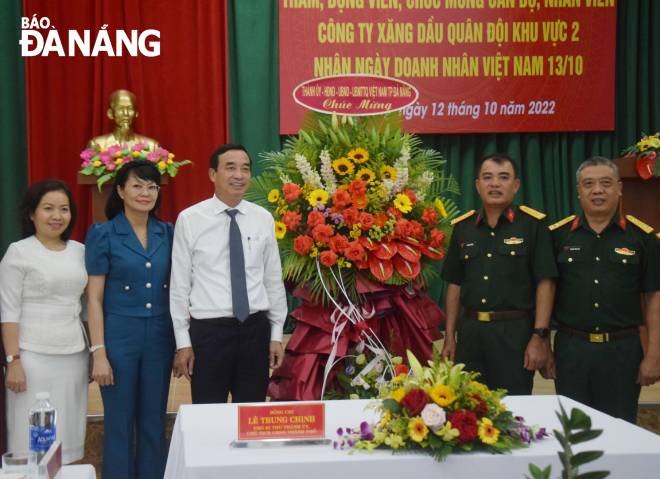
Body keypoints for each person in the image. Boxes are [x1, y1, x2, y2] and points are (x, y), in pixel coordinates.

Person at [170, 143, 287, 404]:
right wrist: (183, 341)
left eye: (245, 169)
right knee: (209, 416)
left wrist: (277, 334)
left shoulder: (263, 218)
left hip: (254, 331)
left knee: (252, 416)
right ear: (213, 174)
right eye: (230, 168)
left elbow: (272, 279)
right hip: (209, 334)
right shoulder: (190, 219)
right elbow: (180, 285)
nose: (239, 175)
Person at [548, 156, 660, 423]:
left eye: (606, 183)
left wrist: (654, 355)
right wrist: (542, 343)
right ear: (578, 190)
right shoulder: (558, 236)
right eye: (589, 184)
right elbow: (546, 292)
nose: (597, 190)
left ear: (619, 188)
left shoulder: (643, 238)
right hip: (571, 350)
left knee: (620, 427)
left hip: (623, 351)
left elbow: (654, 297)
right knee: (572, 432)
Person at [85, 160, 174, 479]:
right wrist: (99, 353)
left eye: (152, 186)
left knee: (153, 421)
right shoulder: (103, 233)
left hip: (160, 337)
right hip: (119, 338)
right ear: (120, 191)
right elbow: (93, 299)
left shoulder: (168, 232)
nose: (145, 192)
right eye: (137, 185)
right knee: (119, 423)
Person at [441, 153, 557, 394]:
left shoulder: (533, 226)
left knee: (514, 409)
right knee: (468, 406)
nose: (495, 184)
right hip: (471, 334)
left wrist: (540, 336)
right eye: (488, 177)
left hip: (514, 334)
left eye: (503, 177)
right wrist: (450, 336)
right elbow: (454, 284)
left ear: (516, 185)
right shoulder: (463, 228)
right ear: (477, 185)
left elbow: (545, 283)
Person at [0, 180, 88, 463]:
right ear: (31, 214)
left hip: (73, 355)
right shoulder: (18, 252)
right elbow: (9, 311)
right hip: (32, 357)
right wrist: (13, 360)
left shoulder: (80, 251)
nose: (57, 216)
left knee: (69, 434)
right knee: (32, 439)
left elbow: (86, 307)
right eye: (48, 208)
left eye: (64, 209)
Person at [88, 89, 158, 151]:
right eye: (120, 109)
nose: (125, 113)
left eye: (130, 108)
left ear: (136, 113)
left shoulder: (152, 146)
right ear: (110, 113)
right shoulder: (97, 145)